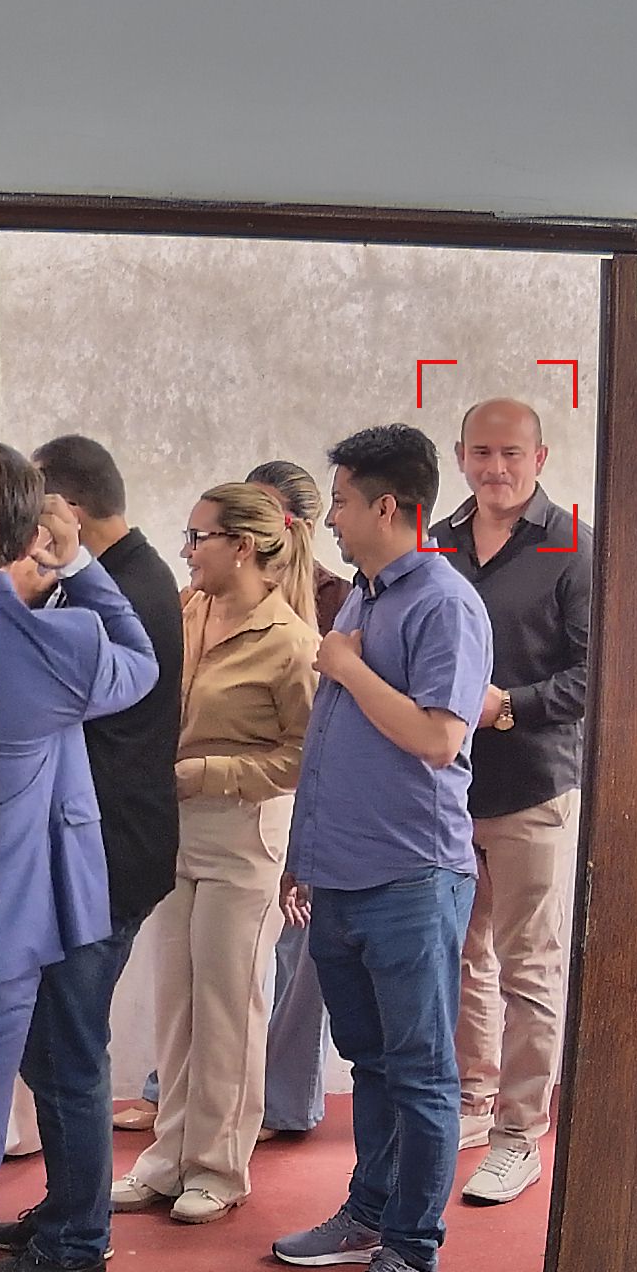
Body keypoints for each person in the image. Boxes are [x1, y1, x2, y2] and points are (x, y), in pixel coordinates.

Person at [270, 423, 492, 1272]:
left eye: (344, 503)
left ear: (389, 507)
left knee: (423, 1074)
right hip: (343, 872)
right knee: (370, 1062)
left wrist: (351, 668)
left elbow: (439, 738)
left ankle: (414, 1257)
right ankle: (369, 1214)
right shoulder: (364, 595)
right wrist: (304, 854)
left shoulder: (444, 604)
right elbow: (333, 742)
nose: (332, 520)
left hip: (411, 876)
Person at [0, 435, 185, 1272]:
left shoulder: (127, 589)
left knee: (65, 1060)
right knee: (45, 1063)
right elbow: (130, 665)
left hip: (91, 866)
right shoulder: (69, 622)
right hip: (47, 881)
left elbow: (137, 671)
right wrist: (73, 568)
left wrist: (63, 572)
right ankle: (69, 1219)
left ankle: (75, 1241)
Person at [110, 484, 316, 1225]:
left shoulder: (292, 642)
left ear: (244, 546)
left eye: (199, 537)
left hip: (242, 833)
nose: (187, 550)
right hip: (174, 827)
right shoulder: (187, 610)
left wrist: (211, 772)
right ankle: (166, 1158)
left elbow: (303, 756)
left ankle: (219, 1166)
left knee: (229, 1005)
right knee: (177, 1001)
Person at [430, 399, 592, 1205]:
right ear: (461, 455)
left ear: (540, 458)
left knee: (530, 966)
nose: (496, 468)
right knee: (461, 956)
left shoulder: (574, 548)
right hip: (444, 788)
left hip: (533, 786)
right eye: (482, 452)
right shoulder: (437, 543)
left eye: (512, 454)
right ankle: (473, 1099)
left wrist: (508, 707)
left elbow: (597, 675)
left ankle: (519, 1135)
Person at [246, 459, 351, 1139]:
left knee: (299, 950)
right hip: (246, 791)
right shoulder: (231, 589)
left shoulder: (340, 600)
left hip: (315, 789)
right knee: (232, 956)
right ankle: (201, 1092)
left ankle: (284, 1102)